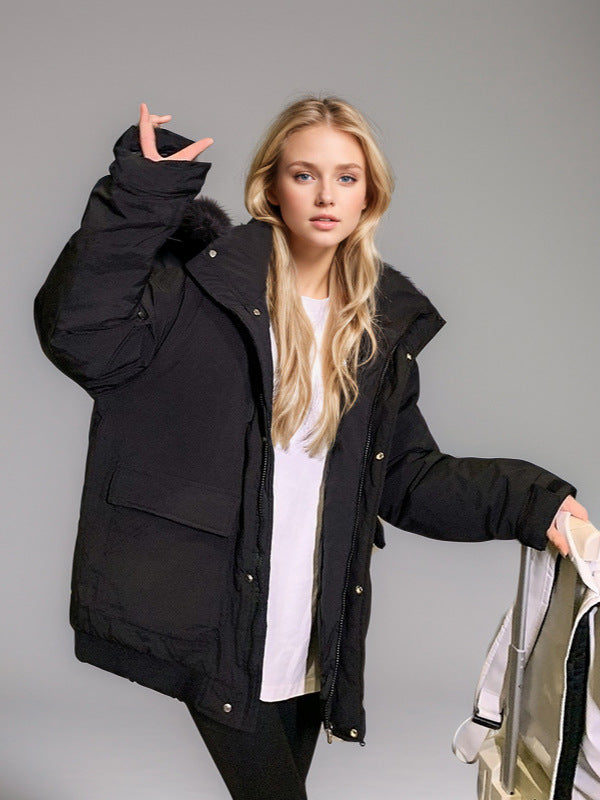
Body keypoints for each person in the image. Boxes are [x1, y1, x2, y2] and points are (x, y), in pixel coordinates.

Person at [33, 96, 588, 800]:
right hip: (218, 620)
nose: (326, 196)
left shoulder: (373, 328)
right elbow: (80, 335)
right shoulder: (199, 293)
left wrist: (533, 501)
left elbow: (405, 478)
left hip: (311, 628)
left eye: (346, 177)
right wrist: (140, 191)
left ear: (369, 195)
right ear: (271, 187)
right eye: (304, 175)